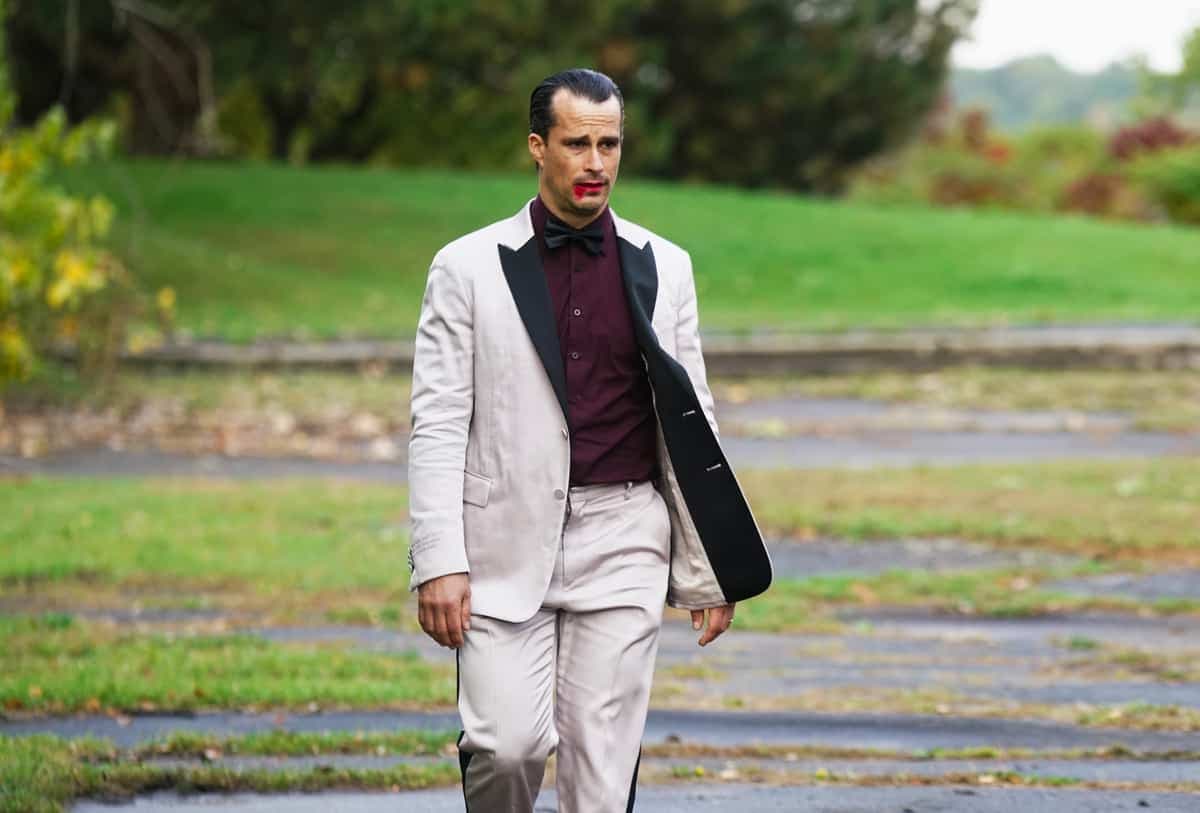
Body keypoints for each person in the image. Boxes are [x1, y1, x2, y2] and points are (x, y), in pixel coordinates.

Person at [407, 67, 772, 812]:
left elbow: (690, 420)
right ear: (537, 146)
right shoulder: (465, 267)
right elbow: (437, 422)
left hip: (624, 535)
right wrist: (439, 560)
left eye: (610, 145)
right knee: (506, 746)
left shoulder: (664, 266)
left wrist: (709, 566)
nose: (596, 163)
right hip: (502, 540)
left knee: (601, 777)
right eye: (578, 144)